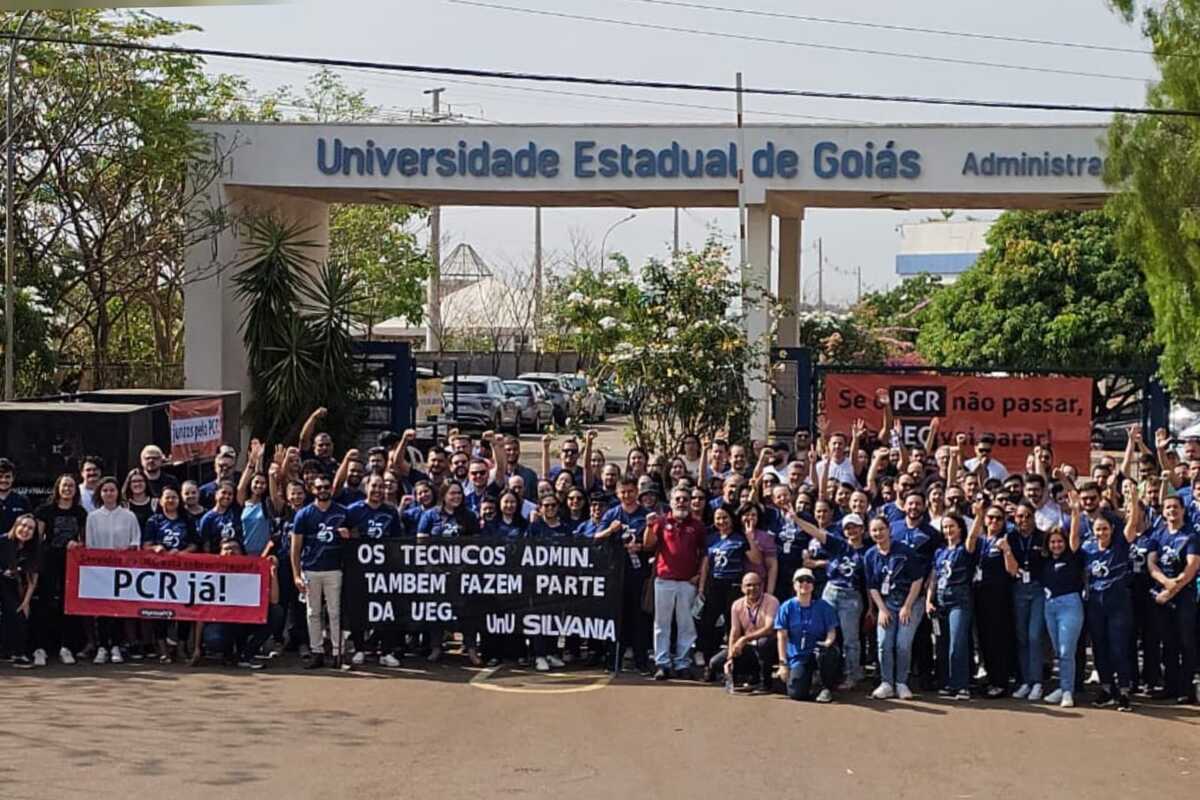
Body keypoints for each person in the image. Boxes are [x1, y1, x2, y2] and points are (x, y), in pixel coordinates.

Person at [1072, 486, 1140, 711]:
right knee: (1100, 648)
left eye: (1105, 529)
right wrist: (1074, 514)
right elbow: (1073, 545)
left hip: (1118, 604)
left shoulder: (1120, 544)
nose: (1101, 533)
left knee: (1118, 647)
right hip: (1095, 604)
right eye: (1097, 529)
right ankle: (1106, 688)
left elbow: (1132, 525)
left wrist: (1133, 499)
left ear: (1112, 528)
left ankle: (1123, 691)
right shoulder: (1088, 547)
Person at [797, 512, 869, 688]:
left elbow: (869, 583)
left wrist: (871, 608)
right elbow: (815, 532)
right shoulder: (839, 545)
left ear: (862, 529)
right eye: (847, 527)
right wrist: (796, 519)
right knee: (822, 633)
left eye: (855, 527)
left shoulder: (868, 552)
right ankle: (820, 672)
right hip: (830, 591)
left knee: (850, 639)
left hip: (852, 596)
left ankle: (852, 674)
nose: (851, 530)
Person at [642, 486, 706, 680]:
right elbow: (648, 545)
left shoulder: (697, 526)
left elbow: (704, 555)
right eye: (677, 499)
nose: (681, 502)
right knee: (662, 625)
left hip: (687, 582)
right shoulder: (661, 522)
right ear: (671, 502)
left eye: (685, 499)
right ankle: (662, 662)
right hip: (664, 581)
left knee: (686, 625)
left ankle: (682, 662)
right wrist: (648, 526)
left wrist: (699, 578)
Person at [289, 475, 349, 670]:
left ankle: (337, 652)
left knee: (335, 612)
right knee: (313, 613)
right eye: (319, 487)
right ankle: (317, 652)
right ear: (312, 489)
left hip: (334, 569)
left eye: (326, 486)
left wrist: (349, 535)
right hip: (311, 569)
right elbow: (295, 548)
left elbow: (356, 535)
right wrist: (296, 575)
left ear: (331, 488)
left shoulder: (342, 512)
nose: (323, 489)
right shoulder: (304, 514)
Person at [1022, 525, 1084, 709]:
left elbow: (1074, 537)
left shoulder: (1072, 557)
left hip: (1070, 605)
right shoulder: (1045, 562)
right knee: (1058, 650)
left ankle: (1067, 691)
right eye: (1052, 542)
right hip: (1050, 606)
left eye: (1059, 541)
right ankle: (1062, 687)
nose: (1056, 545)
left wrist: (1074, 513)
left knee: (1066, 651)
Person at [864, 516, 925, 700]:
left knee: (902, 644)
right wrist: (881, 609)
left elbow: (917, 579)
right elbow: (872, 585)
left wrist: (907, 606)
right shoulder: (870, 555)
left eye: (881, 529)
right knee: (884, 644)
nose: (878, 533)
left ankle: (901, 682)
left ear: (889, 529)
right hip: (886, 602)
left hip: (910, 601)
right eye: (874, 530)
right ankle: (887, 682)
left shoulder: (905, 551)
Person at [1146, 494, 1200, 704]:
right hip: (1163, 596)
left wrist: (1171, 590)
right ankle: (1170, 686)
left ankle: (1186, 689)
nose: (1171, 511)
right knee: (1168, 644)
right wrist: (1165, 583)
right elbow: (1152, 564)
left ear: (1183, 510)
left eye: (1175, 507)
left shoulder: (1191, 536)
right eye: (1167, 508)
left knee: (1186, 643)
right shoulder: (1158, 535)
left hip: (1183, 597)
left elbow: (1192, 567)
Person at [696, 506, 762, 678]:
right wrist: (702, 587)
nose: (721, 521)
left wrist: (749, 535)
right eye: (718, 518)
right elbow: (705, 564)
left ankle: (735, 666)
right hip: (714, 586)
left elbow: (756, 559)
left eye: (725, 517)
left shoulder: (740, 538)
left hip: (733, 587)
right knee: (707, 625)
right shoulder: (711, 539)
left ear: (732, 519)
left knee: (733, 627)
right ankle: (710, 665)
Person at [925, 507, 983, 700]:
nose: (948, 530)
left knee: (957, 642)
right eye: (945, 527)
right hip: (941, 600)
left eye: (952, 526)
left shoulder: (964, 549)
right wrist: (928, 600)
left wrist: (979, 515)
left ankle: (962, 685)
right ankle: (947, 682)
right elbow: (934, 577)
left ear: (959, 528)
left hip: (960, 599)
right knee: (943, 643)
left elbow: (973, 537)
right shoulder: (939, 551)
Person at [32, 474, 88, 666]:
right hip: (48, 563)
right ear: (58, 488)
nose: (67, 489)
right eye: (64, 485)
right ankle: (40, 648)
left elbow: (84, 539)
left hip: (70, 565)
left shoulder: (80, 512)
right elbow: (37, 540)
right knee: (44, 604)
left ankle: (66, 647)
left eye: (71, 486)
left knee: (68, 605)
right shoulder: (44, 511)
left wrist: (78, 544)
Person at [84, 477, 141, 664]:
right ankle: (102, 647)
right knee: (100, 611)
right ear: (100, 493)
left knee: (118, 610)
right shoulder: (92, 517)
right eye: (105, 490)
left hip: (123, 572)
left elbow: (135, 543)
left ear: (118, 493)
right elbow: (90, 546)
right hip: (100, 572)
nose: (109, 493)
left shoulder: (129, 516)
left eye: (112, 490)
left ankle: (116, 646)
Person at [774, 567, 840, 702]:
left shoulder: (824, 606)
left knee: (828, 652)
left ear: (813, 585)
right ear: (794, 585)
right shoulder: (786, 607)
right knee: (796, 694)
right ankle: (808, 681)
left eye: (808, 580)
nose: (804, 583)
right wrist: (782, 663)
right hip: (798, 656)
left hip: (818, 652)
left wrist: (827, 643)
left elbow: (831, 631)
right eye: (800, 580)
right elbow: (782, 636)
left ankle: (825, 687)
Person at [974, 502, 1016, 698]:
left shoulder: (1007, 539)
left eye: (998, 518)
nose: (994, 521)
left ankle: (1001, 682)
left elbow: (1013, 570)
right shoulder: (981, 541)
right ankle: (991, 679)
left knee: (998, 640)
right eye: (990, 517)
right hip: (980, 595)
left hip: (999, 597)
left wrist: (1007, 550)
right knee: (984, 640)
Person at [1006, 500, 1046, 702]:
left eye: (1027, 516)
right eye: (1020, 516)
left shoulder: (1043, 537)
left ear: (1034, 517)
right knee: (1021, 637)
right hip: (1018, 588)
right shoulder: (1010, 538)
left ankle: (1037, 681)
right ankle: (1025, 681)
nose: (1023, 520)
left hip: (1038, 589)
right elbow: (1011, 569)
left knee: (1034, 636)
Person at [712, 571, 779, 692]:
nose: (753, 588)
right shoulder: (737, 605)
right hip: (749, 647)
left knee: (764, 643)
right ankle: (749, 676)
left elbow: (769, 628)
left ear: (762, 586)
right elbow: (735, 631)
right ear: (742, 588)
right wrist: (730, 656)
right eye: (748, 585)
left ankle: (766, 683)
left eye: (756, 585)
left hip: (769, 646)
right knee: (716, 663)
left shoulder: (771, 601)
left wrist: (745, 639)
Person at [0, 514, 41, 668]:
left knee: (19, 613)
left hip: (12, 586)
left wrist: (26, 602)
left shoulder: (34, 549)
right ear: (16, 525)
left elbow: (32, 579)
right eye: (23, 526)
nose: (26, 530)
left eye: (30, 528)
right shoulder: (3, 541)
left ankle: (17, 654)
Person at [197, 482, 242, 553]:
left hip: (237, 557)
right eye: (223, 493)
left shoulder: (235, 512)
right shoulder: (207, 518)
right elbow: (206, 544)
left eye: (230, 494)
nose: (226, 496)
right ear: (216, 494)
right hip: (218, 559)